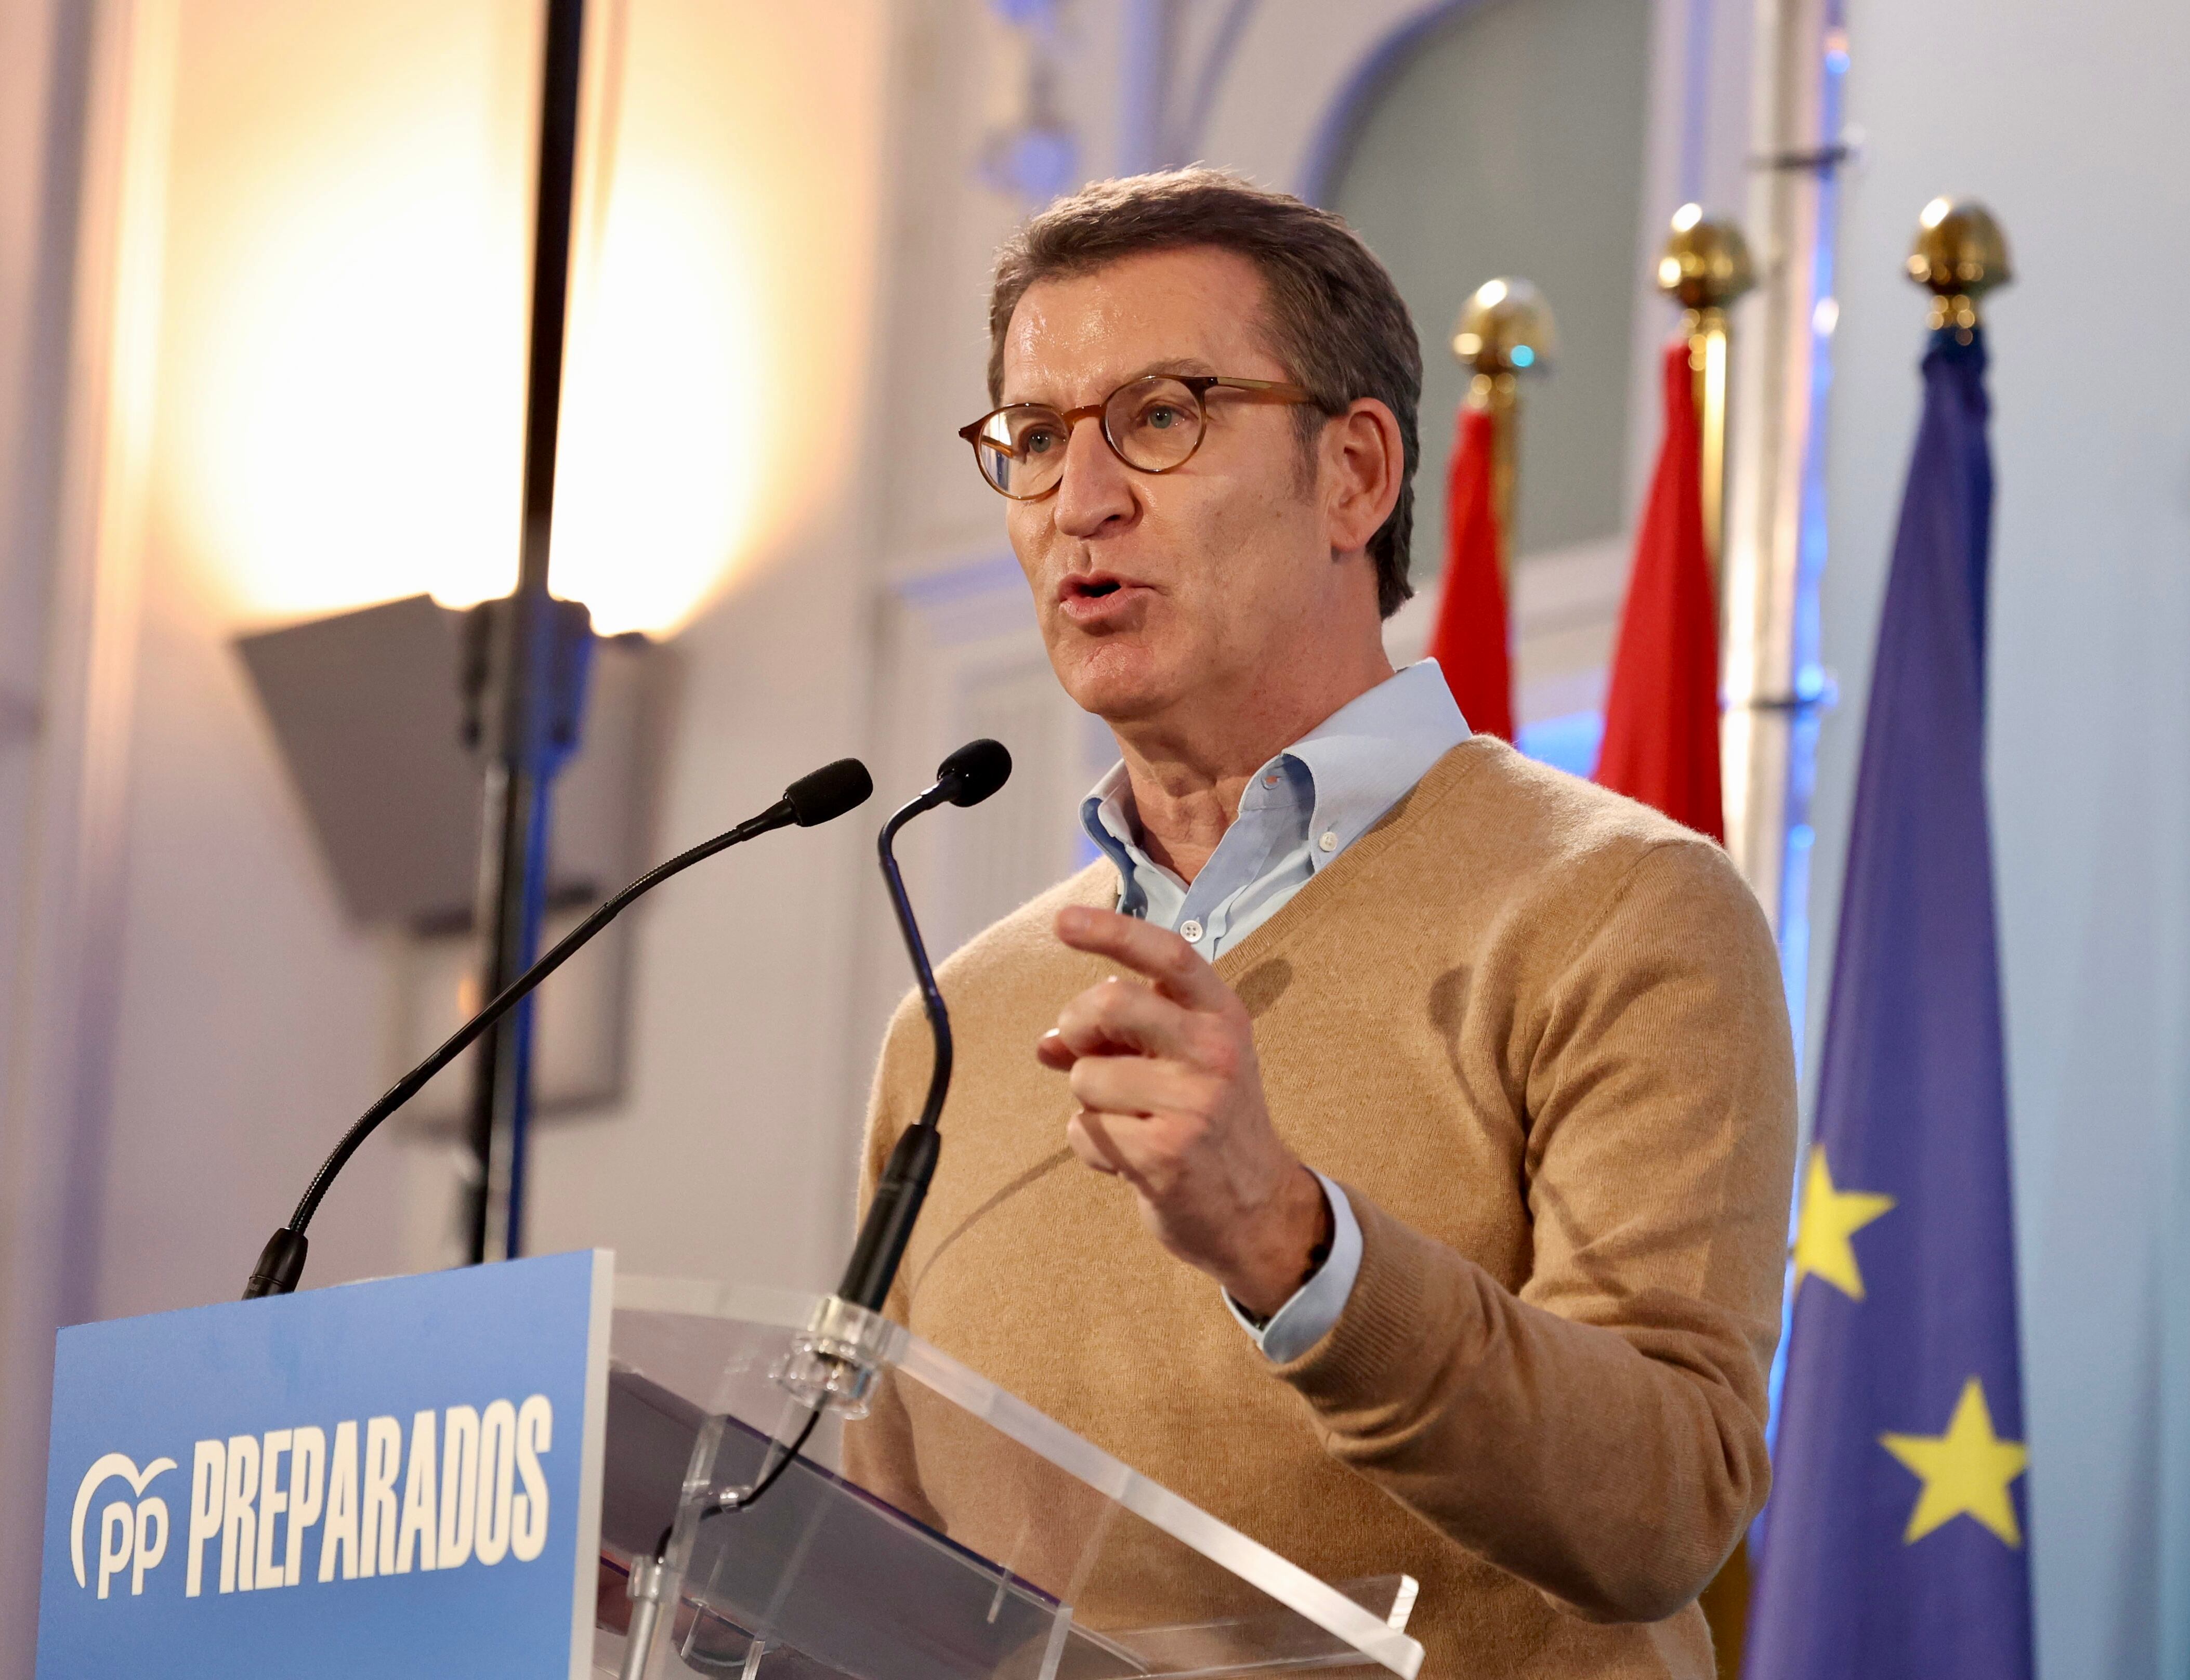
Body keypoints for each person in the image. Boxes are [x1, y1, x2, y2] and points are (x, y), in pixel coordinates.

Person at [854, 168, 1795, 1678]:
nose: (1080, 498)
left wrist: (1297, 1248)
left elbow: (1669, 1506)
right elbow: (882, 1556)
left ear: (1355, 475)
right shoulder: (952, 1026)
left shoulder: (1622, 907)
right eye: (1034, 440)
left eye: (1161, 416)